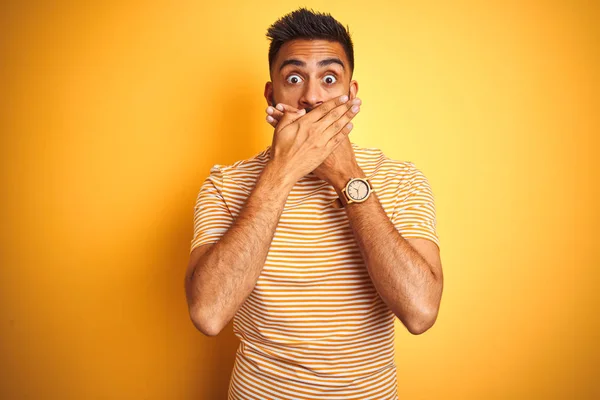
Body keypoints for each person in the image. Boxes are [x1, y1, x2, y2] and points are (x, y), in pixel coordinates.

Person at [184, 7, 443, 399]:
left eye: (328, 78)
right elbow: (208, 313)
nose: (311, 97)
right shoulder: (225, 184)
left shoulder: (401, 180)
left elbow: (420, 312)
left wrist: (347, 177)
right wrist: (282, 172)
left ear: (350, 93)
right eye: (293, 78)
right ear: (271, 94)